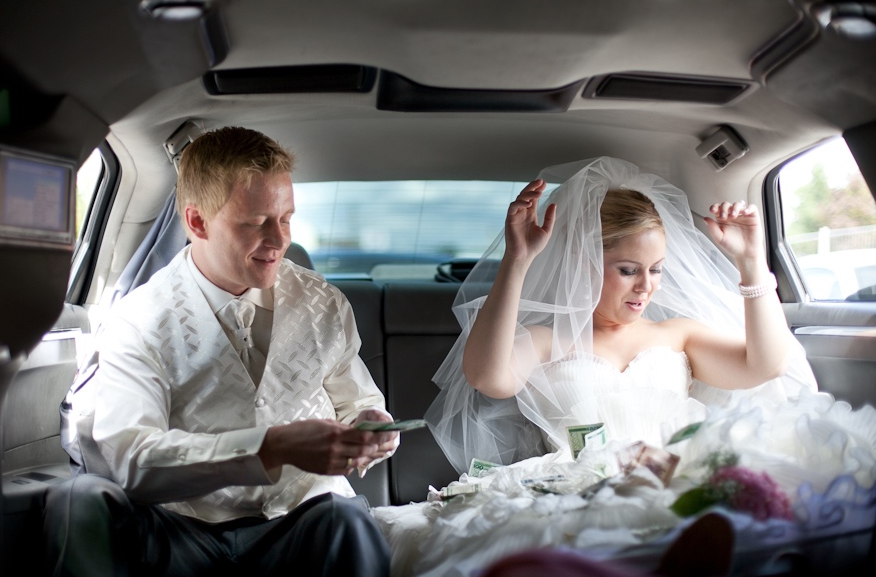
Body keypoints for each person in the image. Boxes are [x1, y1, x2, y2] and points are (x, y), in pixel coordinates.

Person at [371, 157, 875, 577]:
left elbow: (767, 363)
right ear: (581, 260)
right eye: (628, 270)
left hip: (674, 476)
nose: (646, 286)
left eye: (656, 270)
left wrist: (751, 263)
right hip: (578, 490)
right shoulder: (546, 341)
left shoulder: (676, 333)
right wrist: (518, 261)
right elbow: (487, 376)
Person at [44, 127, 398, 576]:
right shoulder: (139, 319)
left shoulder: (323, 302)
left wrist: (371, 425)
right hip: (180, 530)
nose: (279, 239)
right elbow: (133, 458)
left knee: (348, 519)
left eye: (286, 218)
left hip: (300, 523)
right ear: (197, 223)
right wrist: (272, 447)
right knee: (77, 502)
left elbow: (359, 402)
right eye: (255, 223)